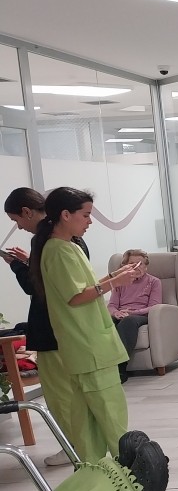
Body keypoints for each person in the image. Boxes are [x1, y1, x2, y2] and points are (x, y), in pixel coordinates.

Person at [29, 187, 143, 463]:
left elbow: (83, 287)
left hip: (86, 344)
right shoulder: (59, 251)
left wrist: (114, 276)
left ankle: (95, 473)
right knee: (111, 415)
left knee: (88, 421)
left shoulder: (67, 247)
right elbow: (76, 296)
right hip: (88, 344)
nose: (90, 221)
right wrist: (114, 283)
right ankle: (129, 472)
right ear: (65, 215)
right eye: (86, 215)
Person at [4, 188, 94, 466]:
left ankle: (74, 447)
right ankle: (81, 446)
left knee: (60, 394)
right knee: (70, 392)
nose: (19, 226)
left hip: (52, 327)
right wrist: (28, 262)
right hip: (67, 328)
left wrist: (18, 267)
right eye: (86, 215)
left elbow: (38, 286)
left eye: (17, 220)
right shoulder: (67, 240)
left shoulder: (49, 241)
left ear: (27, 211)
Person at [107, 248, 161, 383]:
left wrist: (132, 313)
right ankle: (105, 368)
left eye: (140, 264)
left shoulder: (154, 282)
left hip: (142, 315)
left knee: (128, 321)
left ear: (146, 267)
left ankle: (121, 368)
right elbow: (111, 305)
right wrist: (116, 313)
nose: (137, 267)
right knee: (107, 321)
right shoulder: (120, 283)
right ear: (125, 266)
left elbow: (154, 306)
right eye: (132, 264)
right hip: (122, 314)